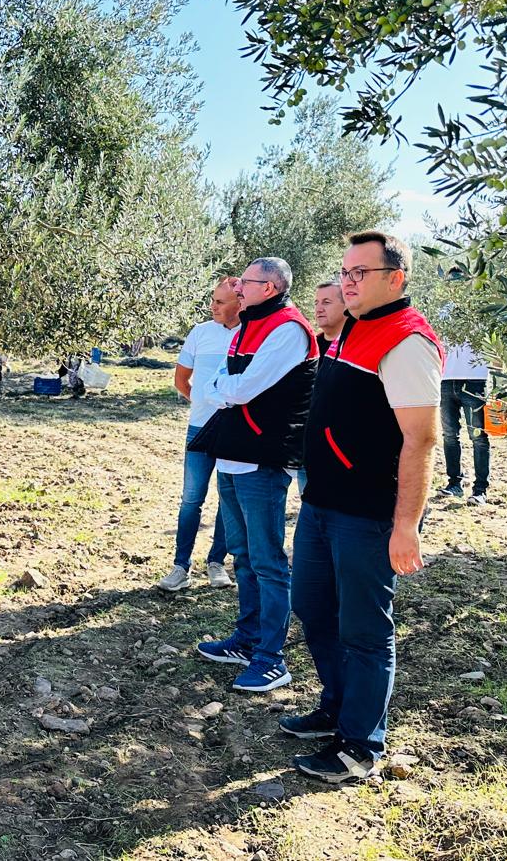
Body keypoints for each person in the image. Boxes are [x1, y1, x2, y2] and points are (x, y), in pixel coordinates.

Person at [287, 231, 443, 783]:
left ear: (395, 279)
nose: (347, 281)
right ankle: (337, 706)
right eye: (345, 271)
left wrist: (407, 526)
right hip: (321, 505)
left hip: (367, 514)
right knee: (310, 605)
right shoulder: (353, 327)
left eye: (360, 273)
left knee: (364, 631)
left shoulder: (406, 341)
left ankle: (359, 744)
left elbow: (421, 440)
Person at [190, 257, 317, 692]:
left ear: (270, 287)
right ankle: (247, 640)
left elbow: (241, 388)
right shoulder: (248, 325)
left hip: (262, 459)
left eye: (245, 282)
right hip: (232, 455)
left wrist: (222, 392)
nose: (237, 287)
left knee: (267, 561)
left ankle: (271, 657)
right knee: (243, 557)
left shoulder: (287, 329)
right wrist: (222, 391)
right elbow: (221, 382)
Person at [156, 276, 240, 592]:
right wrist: (204, 404)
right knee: (191, 499)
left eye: (220, 301)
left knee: (228, 500)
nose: (213, 306)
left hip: (236, 433)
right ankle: (181, 566)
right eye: (213, 300)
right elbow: (181, 380)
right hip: (199, 430)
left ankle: (217, 563)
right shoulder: (200, 333)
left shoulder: (252, 335)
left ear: (239, 303)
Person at [438, 340, 490, 504]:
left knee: (478, 438)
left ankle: (480, 490)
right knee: (449, 436)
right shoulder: (441, 313)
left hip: (475, 380)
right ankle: (454, 484)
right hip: (445, 379)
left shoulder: (480, 314)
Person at [314, 281, 346, 357]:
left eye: (326, 302)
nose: (318, 309)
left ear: (346, 306)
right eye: (316, 303)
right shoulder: (311, 346)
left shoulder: (357, 346)